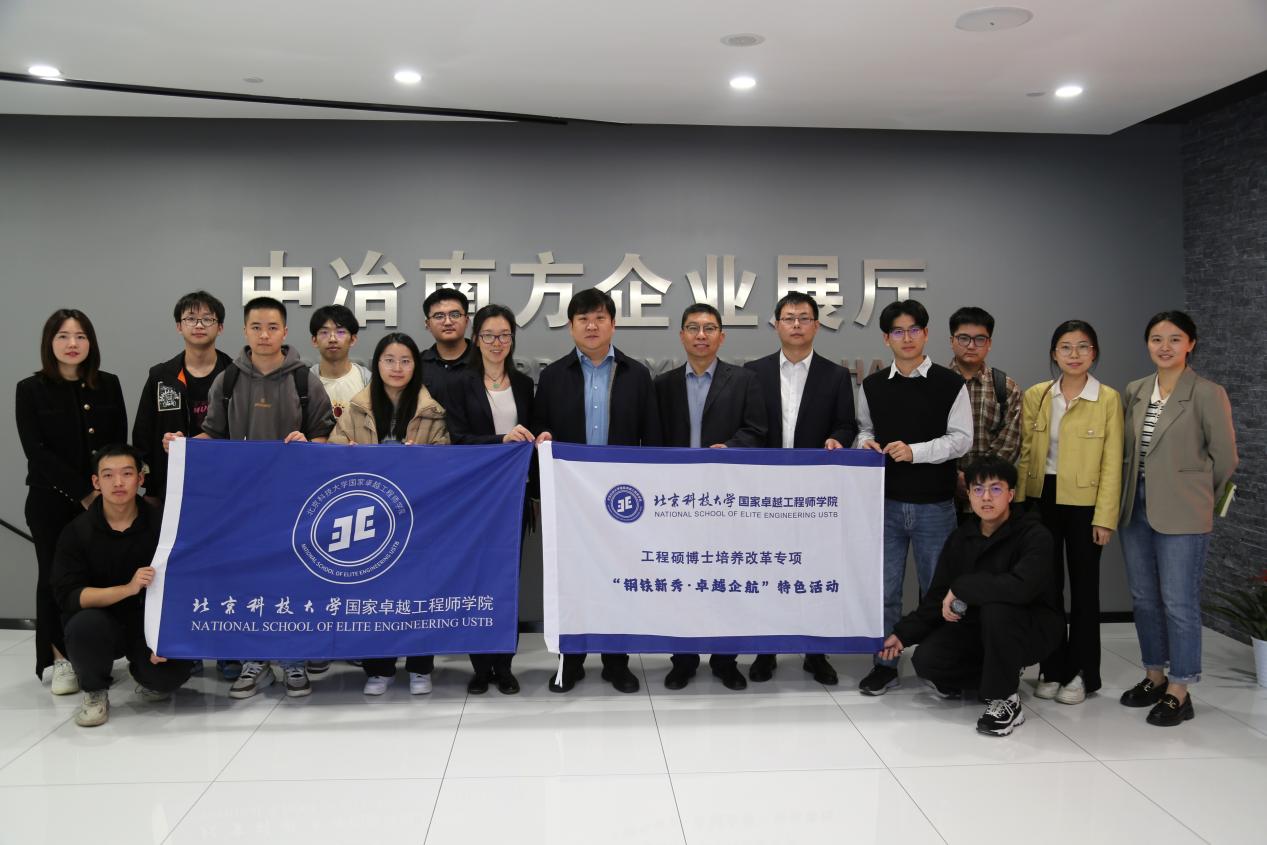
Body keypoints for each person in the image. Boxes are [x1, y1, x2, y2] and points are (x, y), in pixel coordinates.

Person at [177, 295, 336, 699]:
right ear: (244, 331)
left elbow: (325, 436)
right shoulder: (228, 380)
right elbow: (213, 434)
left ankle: (293, 659)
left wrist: (309, 445)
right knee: (248, 581)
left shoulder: (305, 381)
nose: (264, 335)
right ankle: (255, 660)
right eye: (256, 327)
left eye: (272, 327)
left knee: (293, 580)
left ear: (285, 332)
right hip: (243, 503)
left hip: (296, 503)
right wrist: (182, 446)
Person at [534, 288, 662, 693]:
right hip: (570, 500)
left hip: (623, 499)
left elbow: (653, 438)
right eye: (583, 319)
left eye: (600, 318)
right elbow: (540, 435)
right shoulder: (553, 376)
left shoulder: (636, 374)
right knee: (570, 579)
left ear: (613, 324)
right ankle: (570, 661)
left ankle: (616, 661)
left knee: (619, 576)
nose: (591, 326)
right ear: (571, 326)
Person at [879, 456, 1064, 737]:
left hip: (1032, 626)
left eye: (995, 489)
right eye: (978, 489)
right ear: (968, 494)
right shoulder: (961, 537)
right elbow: (937, 596)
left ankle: (1005, 699)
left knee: (997, 608)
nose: (986, 497)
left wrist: (963, 587)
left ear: (1011, 494)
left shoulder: (1034, 534)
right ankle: (999, 672)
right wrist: (903, 634)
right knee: (927, 660)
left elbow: (1021, 588)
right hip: (980, 627)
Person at [1118, 311, 1237, 726]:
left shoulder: (1207, 393)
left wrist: (1195, 495)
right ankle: (1154, 675)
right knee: (1143, 598)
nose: (1164, 346)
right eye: (1156, 339)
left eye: (1174, 338)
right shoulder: (1135, 390)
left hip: (1184, 509)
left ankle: (1180, 689)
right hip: (1135, 505)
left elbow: (1225, 459)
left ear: (1191, 343)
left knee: (1179, 601)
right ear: (1147, 344)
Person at [856, 299, 972, 695]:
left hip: (935, 506)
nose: (906, 338)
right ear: (886, 339)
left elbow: (961, 439)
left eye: (914, 330)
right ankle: (885, 665)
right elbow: (864, 429)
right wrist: (865, 443)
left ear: (925, 334)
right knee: (885, 591)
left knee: (938, 591)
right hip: (885, 505)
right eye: (898, 332)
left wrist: (915, 452)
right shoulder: (872, 385)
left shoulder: (949, 383)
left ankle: (940, 666)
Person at [745, 291, 857, 685]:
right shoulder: (753, 372)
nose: (796, 325)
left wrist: (838, 440)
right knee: (765, 567)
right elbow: (747, 426)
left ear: (816, 325)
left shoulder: (836, 375)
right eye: (789, 318)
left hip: (814, 493)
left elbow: (847, 424)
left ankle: (815, 652)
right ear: (776, 324)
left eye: (804, 318)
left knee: (815, 568)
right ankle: (766, 650)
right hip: (764, 491)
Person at [329, 332, 449, 695]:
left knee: (420, 591)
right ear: (377, 364)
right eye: (389, 360)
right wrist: (347, 454)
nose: (397, 368)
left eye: (405, 361)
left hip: (417, 516)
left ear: (416, 366)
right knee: (374, 591)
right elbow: (333, 453)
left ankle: (420, 667)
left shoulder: (431, 410)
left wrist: (422, 459)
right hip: (370, 516)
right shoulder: (357, 408)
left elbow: (446, 459)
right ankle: (378, 668)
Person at [656, 303, 767, 691]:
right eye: (693, 328)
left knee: (727, 578)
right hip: (677, 501)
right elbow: (652, 438)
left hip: (727, 498)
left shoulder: (745, 380)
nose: (700, 335)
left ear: (722, 336)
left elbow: (757, 431)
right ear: (681, 335)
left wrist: (730, 448)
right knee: (680, 579)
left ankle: (725, 660)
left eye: (708, 328)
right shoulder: (663, 384)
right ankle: (683, 659)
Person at [16, 309, 127, 694]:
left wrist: (104, 488)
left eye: (80, 336)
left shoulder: (107, 384)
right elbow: (37, 451)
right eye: (63, 336)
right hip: (51, 501)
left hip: (101, 500)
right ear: (50, 343)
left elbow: (117, 442)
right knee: (53, 577)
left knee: (100, 574)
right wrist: (83, 491)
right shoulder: (30, 389)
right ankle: (59, 658)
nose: (72, 344)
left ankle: (96, 653)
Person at [1015, 320, 1122, 705]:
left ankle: (1082, 673)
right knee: (1046, 589)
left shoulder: (1107, 399)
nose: (1074, 354)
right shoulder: (1038, 394)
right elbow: (1026, 452)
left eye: (1082, 347)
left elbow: (1113, 462)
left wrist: (1104, 517)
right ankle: (1051, 667)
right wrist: (1018, 506)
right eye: (1065, 347)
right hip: (1042, 498)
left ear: (1094, 353)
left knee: (1085, 590)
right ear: (1054, 353)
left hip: (1086, 504)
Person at [51, 444, 196, 727]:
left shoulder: (163, 525)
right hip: (101, 622)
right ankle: (94, 691)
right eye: (108, 475)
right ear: (96, 482)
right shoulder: (77, 531)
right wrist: (128, 589)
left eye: (127, 474)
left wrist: (169, 636)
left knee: (169, 677)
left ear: (140, 479)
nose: (118, 482)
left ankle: (146, 675)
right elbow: (69, 595)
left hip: (148, 623)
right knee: (84, 626)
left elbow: (187, 584)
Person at [443, 304, 535, 696]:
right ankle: (481, 667)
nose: (497, 343)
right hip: (475, 499)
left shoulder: (525, 384)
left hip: (515, 496)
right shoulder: (459, 384)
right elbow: (456, 439)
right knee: (476, 580)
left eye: (504, 335)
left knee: (507, 582)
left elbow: (535, 432)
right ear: (476, 339)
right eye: (489, 335)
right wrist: (501, 441)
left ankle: (505, 664)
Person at [133, 291, 233, 502]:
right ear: (179, 326)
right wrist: (151, 488)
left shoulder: (235, 375)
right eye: (190, 319)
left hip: (225, 483)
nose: (199, 325)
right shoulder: (161, 376)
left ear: (220, 327)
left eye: (207, 319)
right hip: (171, 485)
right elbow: (143, 434)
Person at [946, 306, 1022, 522]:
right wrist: (953, 477)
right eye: (964, 338)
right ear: (952, 341)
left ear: (989, 343)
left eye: (980, 339)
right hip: (943, 499)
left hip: (991, 500)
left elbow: (1009, 443)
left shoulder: (1005, 387)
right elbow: (926, 437)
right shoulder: (935, 384)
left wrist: (976, 482)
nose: (971, 345)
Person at [309, 303, 372, 420]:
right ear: (314, 340)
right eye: (324, 332)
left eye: (341, 332)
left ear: (353, 339)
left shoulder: (368, 381)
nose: (332, 339)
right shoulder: (304, 382)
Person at [420, 287, 472, 403]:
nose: (448, 322)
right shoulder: (417, 364)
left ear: (466, 320)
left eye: (455, 314)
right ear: (428, 324)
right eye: (439, 316)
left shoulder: (485, 359)